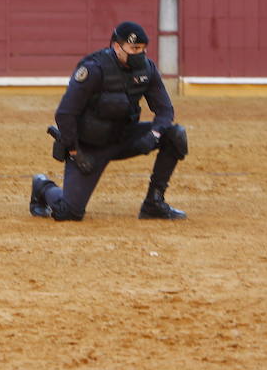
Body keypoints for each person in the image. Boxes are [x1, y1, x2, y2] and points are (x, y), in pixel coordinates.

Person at [31, 21, 188, 222]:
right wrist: (74, 151)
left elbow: (165, 110)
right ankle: (42, 186)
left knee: (175, 135)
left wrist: (154, 134)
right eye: (134, 48)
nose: (139, 54)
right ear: (116, 47)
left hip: (124, 137)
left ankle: (154, 203)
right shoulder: (93, 69)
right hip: (89, 146)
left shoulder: (147, 70)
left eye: (142, 49)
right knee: (69, 212)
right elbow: (65, 113)